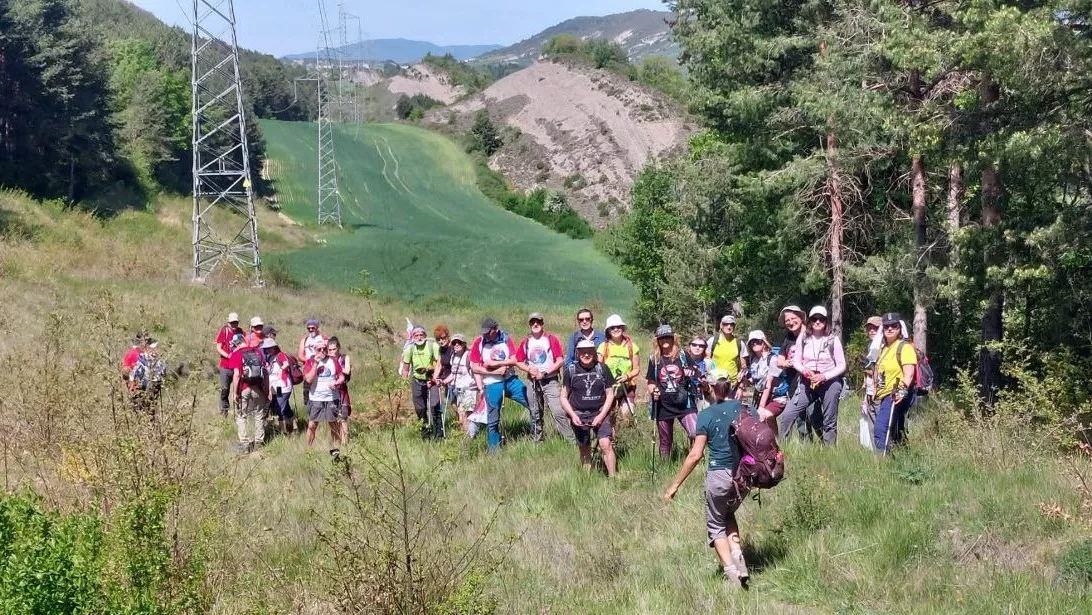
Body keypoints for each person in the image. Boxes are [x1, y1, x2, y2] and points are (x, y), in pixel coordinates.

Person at [662, 379, 752, 588]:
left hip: (720, 475)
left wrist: (674, 486)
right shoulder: (747, 409)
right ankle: (740, 560)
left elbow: (695, 455)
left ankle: (732, 576)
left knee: (716, 524)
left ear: (710, 388)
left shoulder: (706, 415)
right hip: (745, 476)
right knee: (727, 513)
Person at [779, 305, 846, 445]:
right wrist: (804, 370)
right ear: (809, 321)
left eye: (821, 319)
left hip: (829, 382)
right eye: (814, 319)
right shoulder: (803, 338)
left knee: (829, 419)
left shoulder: (833, 339)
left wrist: (824, 376)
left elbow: (841, 365)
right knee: (788, 415)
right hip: (807, 381)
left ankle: (830, 451)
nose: (817, 322)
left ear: (825, 321)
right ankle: (782, 449)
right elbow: (796, 361)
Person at [469, 317, 532, 453]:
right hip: (491, 383)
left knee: (532, 403)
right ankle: (494, 452)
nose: (485, 334)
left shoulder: (505, 338)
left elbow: (514, 359)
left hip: (510, 380)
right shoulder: (479, 342)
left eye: (488, 332)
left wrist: (496, 364)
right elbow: (474, 367)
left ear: (495, 329)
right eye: (483, 332)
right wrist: (495, 371)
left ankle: (536, 437)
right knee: (493, 420)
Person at [560, 339, 617, 476]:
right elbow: (563, 396)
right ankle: (587, 478)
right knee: (584, 447)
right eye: (583, 352)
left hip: (600, 412)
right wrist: (573, 415)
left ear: (594, 352)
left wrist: (601, 416)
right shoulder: (571, 371)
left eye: (589, 351)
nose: (586, 355)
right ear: (578, 353)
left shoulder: (602, 368)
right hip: (579, 414)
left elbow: (610, 394)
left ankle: (614, 478)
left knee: (605, 444)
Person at [647, 325, 699, 459]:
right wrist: (653, 391)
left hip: (684, 402)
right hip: (663, 405)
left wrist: (691, 372)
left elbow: (697, 372)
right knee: (665, 440)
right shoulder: (655, 359)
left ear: (673, 338)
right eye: (662, 337)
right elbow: (651, 381)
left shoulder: (682, 355)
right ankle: (665, 467)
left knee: (695, 432)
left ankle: (696, 460)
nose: (665, 340)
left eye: (668, 337)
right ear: (657, 340)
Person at [515, 313, 567, 443]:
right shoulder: (526, 342)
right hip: (532, 381)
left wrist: (545, 373)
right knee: (535, 412)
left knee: (558, 411)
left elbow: (560, 360)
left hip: (550, 380)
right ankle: (538, 440)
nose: (535, 324)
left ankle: (570, 440)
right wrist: (529, 369)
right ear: (529, 325)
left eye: (538, 322)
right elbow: (518, 360)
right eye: (532, 322)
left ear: (542, 324)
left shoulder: (551, 339)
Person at [872, 312, 917, 454]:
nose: (890, 329)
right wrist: (875, 390)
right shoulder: (883, 349)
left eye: (894, 326)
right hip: (884, 394)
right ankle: (901, 457)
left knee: (880, 427)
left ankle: (882, 460)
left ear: (899, 328)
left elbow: (909, 374)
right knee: (895, 429)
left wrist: (901, 393)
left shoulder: (905, 347)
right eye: (886, 327)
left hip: (896, 394)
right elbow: (881, 373)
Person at [304, 339, 346, 452]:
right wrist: (316, 363)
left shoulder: (333, 360)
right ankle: (308, 450)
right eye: (319, 349)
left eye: (324, 349)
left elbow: (341, 376)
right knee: (312, 425)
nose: (322, 351)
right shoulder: (310, 361)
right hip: (316, 398)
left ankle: (336, 450)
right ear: (314, 349)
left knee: (334, 424)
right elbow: (308, 379)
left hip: (332, 398)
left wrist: (337, 382)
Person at [596, 314, 641, 422]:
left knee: (628, 415)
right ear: (608, 330)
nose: (616, 329)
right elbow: (598, 368)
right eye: (612, 327)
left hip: (627, 386)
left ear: (623, 328)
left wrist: (627, 376)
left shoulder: (632, 346)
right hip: (608, 388)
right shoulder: (603, 347)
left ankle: (628, 436)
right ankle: (613, 438)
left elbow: (637, 369)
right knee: (609, 417)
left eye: (618, 326)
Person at [229, 332, 268, 453]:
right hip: (258, 388)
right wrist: (266, 388)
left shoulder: (236, 354)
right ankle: (259, 442)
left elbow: (236, 375)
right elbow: (265, 372)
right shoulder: (258, 352)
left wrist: (234, 392)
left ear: (236, 343)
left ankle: (245, 444)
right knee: (259, 415)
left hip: (243, 388)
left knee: (241, 416)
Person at [402, 326, 443, 439]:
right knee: (420, 409)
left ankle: (438, 433)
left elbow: (439, 363)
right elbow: (405, 368)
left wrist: (433, 374)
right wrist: (402, 385)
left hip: (432, 379)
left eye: (421, 335)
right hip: (417, 380)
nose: (419, 338)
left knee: (434, 405)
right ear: (412, 337)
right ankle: (425, 433)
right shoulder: (409, 349)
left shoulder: (432, 346)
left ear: (425, 336)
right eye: (416, 335)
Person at [747, 330, 789, 433]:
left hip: (776, 398)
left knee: (764, 416)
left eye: (757, 341)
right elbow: (755, 379)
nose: (755, 344)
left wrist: (761, 407)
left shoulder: (773, 359)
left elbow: (768, 384)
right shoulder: (753, 359)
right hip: (759, 397)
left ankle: (777, 442)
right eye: (752, 342)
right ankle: (774, 442)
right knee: (764, 422)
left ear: (764, 342)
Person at [444, 334, 484, 434]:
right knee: (461, 415)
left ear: (464, 343)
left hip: (469, 389)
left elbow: (476, 372)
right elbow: (453, 374)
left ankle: (470, 436)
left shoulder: (469, 356)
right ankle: (467, 436)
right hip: (459, 390)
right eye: (454, 343)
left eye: (459, 342)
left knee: (467, 414)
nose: (456, 344)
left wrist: (480, 388)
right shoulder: (453, 357)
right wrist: (443, 381)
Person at [706, 315, 748, 398]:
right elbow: (706, 361)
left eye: (731, 324)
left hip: (732, 386)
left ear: (734, 327)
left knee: (730, 410)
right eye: (726, 324)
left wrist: (741, 387)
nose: (729, 327)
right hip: (714, 385)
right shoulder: (712, 341)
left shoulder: (739, 343)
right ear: (721, 326)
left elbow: (744, 368)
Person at [264, 337, 295, 436]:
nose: (267, 350)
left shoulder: (280, 355)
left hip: (284, 386)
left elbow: (286, 364)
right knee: (285, 408)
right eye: (266, 348)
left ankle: (283, 432)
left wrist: (281, 370)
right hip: (277, 388)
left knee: (280, 408)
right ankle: (294, 427)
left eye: (269, 348)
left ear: (274, 347)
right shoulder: (271, 357)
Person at [860, 316, 883, 446]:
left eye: (875, 328)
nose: (872, 331)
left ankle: (884, 452)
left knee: (880, 423)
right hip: (870, 390)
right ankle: (876, 453)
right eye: (869, 328)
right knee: (871, 421)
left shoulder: (884, 346)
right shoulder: (870, 346)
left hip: (880, 389)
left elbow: (877, 369)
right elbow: (869, 370)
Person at [215, 314, 243, 416]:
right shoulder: (224, 331)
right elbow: (218, 347)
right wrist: (228, 355)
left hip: (237, 365)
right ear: (228, 323)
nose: (234, 324)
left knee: (239, 388)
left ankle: (239, 409)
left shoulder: (241, 331)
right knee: (225, 388)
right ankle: (224, 409)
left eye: (236, 322)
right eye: (232, 323)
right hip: (225, 365)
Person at [130, 338, 166, 414]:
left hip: (154, 387)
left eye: (156, 348)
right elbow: (133, 375)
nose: (155, 351)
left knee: (151, 410)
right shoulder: (142, 360)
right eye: (152, 348)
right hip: (142, 388)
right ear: (147, 348)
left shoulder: (161, 362)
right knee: (141, 409)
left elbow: (163, 375)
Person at [327, 336, 351, 445]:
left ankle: (345, 443)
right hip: (330, 393)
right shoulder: (326, 360)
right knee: (332, 419)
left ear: (338, 348)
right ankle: (336, 442)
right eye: (330, 350)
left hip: (342, 391)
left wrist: (336, 365)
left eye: (334, 349)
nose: (332, 352)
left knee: (343, 418)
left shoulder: (344, 357)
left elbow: (347, 370)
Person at [297, 319, 327, 405]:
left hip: (322, 365)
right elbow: (300, 355)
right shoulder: (305, 340)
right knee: (307, 388)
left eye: (312, 328)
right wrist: (310, 360)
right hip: (308, 366)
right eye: (308, 328)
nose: (310, 330)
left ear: (317, 328)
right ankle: (308, 407)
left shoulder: (323, 338)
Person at [685, 336, 714, 410]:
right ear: (690, 345)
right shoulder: (682, 361)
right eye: (694, 345)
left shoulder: (709, 363)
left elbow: (713, 386)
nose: (697, 347)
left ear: (705, 348)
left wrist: (705, 385)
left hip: (702, 400)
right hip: (685, 398)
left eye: (701, 346)